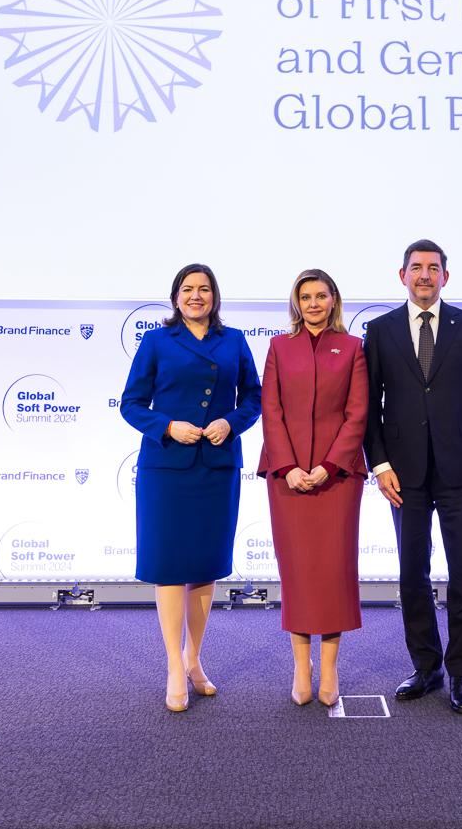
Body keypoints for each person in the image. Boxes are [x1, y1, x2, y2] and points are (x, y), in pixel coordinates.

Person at [364, 239, 462, 714]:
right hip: (403, 474)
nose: (424, 275)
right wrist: (380, 465)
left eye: (433, 267)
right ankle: (427, 667)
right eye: (416, 267)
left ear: (446, 276)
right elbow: (370, 406)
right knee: (411, 573)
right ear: (401, 275)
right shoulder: (379, 330)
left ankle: (461, 672)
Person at [120, 263, 261, 712]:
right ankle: (173, 668)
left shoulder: (234, 340)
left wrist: (230, 423)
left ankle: (193, 660)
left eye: (204, 289)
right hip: (166, 468)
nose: (196, 295)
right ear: (175, 297)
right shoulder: (157, 341)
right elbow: (131, 404)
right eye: (187, 289)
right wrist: (167, 426)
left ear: (215, 296)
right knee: (168, 566)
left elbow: (254, 398)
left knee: (204, 566)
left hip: (216, 466)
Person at [257, 269, 369, 707]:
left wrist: (328, 466)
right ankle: (301, 669)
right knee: (299, 571)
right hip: (287, 478)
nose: (314, 304)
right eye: (305, 297)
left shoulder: (354, 348)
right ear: (296, 303)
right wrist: (287, 467)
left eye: (321, 296)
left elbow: (357, 414)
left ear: (333, 300)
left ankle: (330, 668)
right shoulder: (278, 347)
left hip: (337, 479)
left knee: (333, 571)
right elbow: (271, 411)